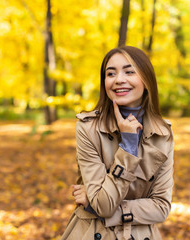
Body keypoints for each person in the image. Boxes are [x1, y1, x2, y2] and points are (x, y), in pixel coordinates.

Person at [61, 46, 174, 240]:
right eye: (110, 73)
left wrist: (94, 203)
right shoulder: (88, 128)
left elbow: (161, 207)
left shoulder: (162, 133)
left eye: (129, 72)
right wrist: (128, 145)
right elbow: (104, 205)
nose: (119, 79)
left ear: (146, 80)